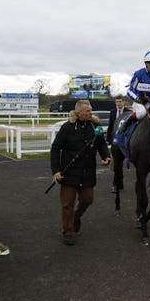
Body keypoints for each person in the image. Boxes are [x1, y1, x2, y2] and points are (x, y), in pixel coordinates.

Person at [50, 100, 111, 246]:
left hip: (87, 172)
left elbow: (101, 144)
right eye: (88, 111)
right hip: (68, 173)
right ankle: (68, 231)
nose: (91, 113)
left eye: (91, 110)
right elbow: (55, 149)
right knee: (67, 204)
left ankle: (76, 216)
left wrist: (106, 156)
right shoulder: (67, 128)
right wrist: (56, 170)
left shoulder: (95, 126)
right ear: (78, 113)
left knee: (87, 199)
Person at [121, 50, 150, 134]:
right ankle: (127, 121)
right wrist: (138, 99)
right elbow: (129, 91)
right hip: (139, 103)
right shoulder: (138, 74)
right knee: (142, 113)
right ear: (146, 64)